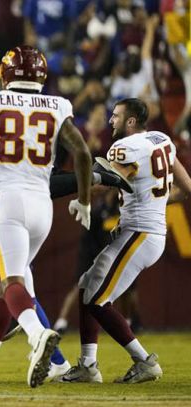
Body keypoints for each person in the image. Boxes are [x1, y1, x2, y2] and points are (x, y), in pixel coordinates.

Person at [0, 45, 93, 392]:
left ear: (5, 74)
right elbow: (81, 152)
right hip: (42, 205)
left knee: (9, 282)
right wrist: (84, 201)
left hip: (7, 200)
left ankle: (36, 334)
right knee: (2, 282)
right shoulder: (58, 104)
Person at [60, 98, 191, 384]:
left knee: (96, 298)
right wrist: (154, 201)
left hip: (140, 232)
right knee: (87, 286)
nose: (111, 121)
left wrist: (80, 193)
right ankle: (88, 364)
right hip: (148, 232)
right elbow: (187, 187)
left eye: (116, 116)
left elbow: (110, 179)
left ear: (130, 121)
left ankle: (144, 361)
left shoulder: (124, 148)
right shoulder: (161, 140)